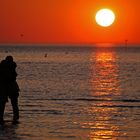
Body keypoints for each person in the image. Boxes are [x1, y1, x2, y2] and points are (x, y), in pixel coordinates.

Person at [0, 56, 20, 125]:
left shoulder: (3, 66)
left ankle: (1, 118)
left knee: (2, 104)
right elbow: (13, 76)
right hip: (9, 87)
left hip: (4, 87)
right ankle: (16, 118)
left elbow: (13, 76)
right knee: (14, 104)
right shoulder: (12, 66)